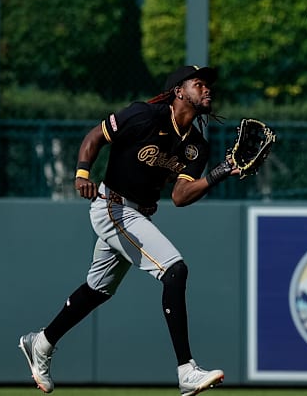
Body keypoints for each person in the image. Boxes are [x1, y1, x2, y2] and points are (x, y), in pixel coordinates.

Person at [18, 65, 238, 396]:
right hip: (112, 206)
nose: (208, 89)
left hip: (138, 214)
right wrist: (81, 174)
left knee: (97, 290)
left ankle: (42, 342)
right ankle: (186, 370)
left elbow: (180, 196)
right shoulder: (144, 116)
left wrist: (219, 172)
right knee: (175, 270)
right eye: (199, 83)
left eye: (209, 85)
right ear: (179, 91)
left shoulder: (196, 145)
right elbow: (95, 137)